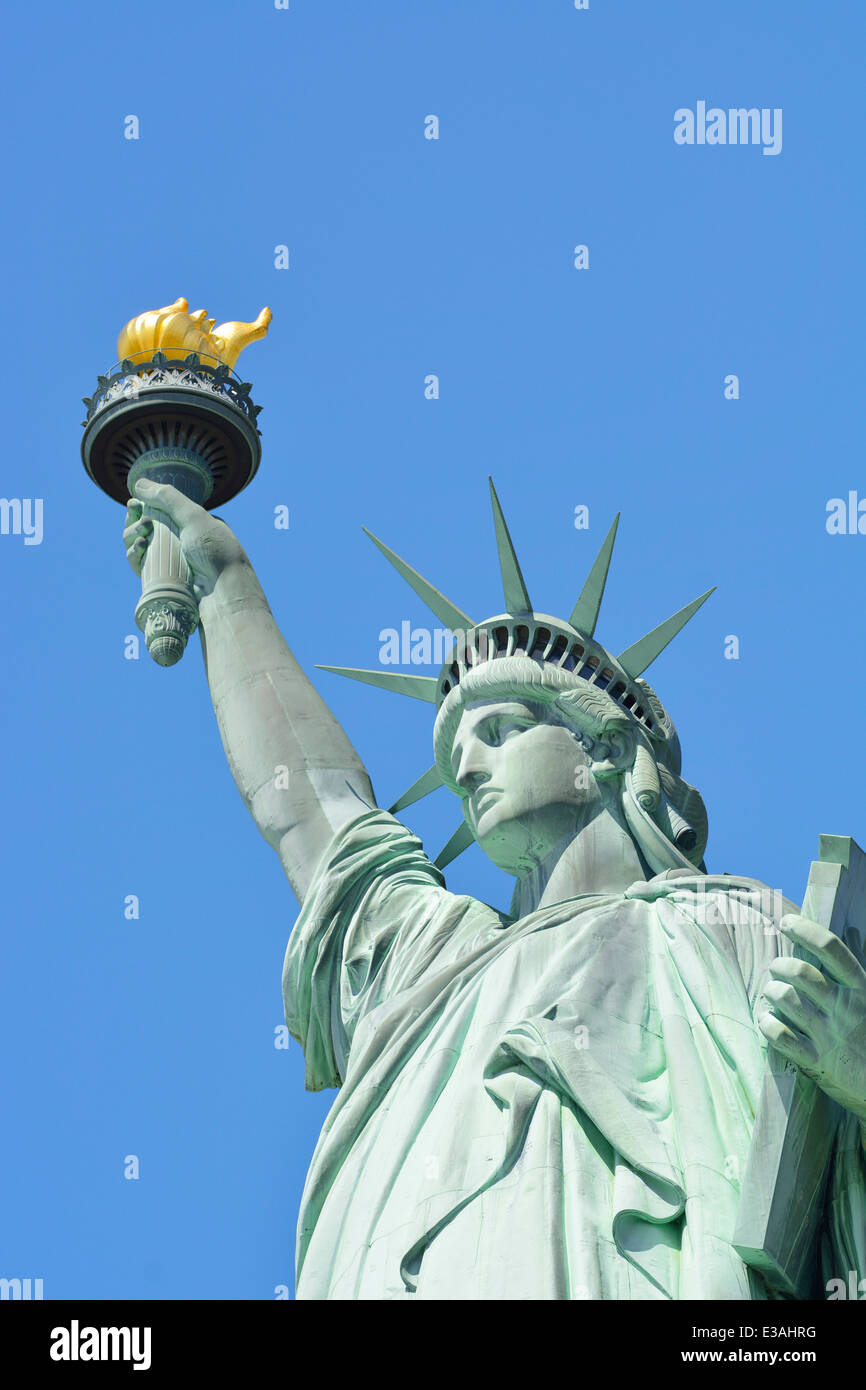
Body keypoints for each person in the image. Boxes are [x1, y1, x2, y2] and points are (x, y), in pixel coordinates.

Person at [124, 478, 866, 1301]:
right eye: (456, 753)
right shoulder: (434, 960)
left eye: (501, 731)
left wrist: (858, 1067)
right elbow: (312, 808)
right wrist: (226, 585)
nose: (468, 767)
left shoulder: (739, 928)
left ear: (605, 752)